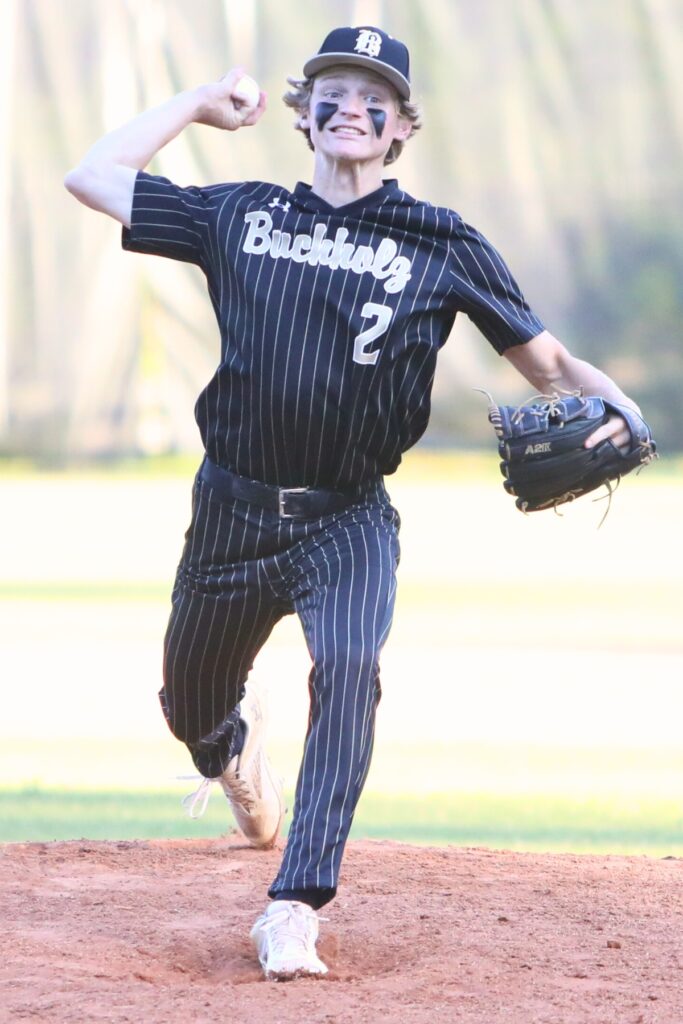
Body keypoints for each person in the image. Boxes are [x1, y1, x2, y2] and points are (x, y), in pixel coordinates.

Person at [65, 25, 641, 980]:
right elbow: (92, 176)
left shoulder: (442, 241)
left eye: (377, 97)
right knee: (189, 707)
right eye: (333, 90)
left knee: (347, 667)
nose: (353, 107)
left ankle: (294, 905)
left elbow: (547, 365)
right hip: (231, 511)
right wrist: (197, 105)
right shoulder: (240, 214)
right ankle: (229, 749)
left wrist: (625, 413)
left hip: (347, 516)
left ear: (402, 127)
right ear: (303, 113)